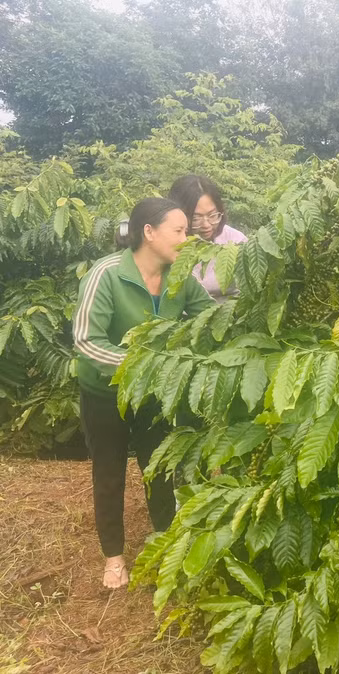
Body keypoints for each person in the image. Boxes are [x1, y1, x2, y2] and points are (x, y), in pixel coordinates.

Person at [73, 197, 216, 589]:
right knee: (110, 470)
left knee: (159, 466)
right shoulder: (107, 275)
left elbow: (209, 319)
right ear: (148, 233)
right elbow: (87, 341)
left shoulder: (180, 277)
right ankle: (114, 557)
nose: (188, 238)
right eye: (180, 230)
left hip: (155, 392)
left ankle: (165, 541)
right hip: (105, 392)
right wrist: (144, 364)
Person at [167, 174, 247, 302]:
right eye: (196, 218)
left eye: (212, 215)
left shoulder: (236, 240)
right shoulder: (168, 245)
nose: (206, 225)